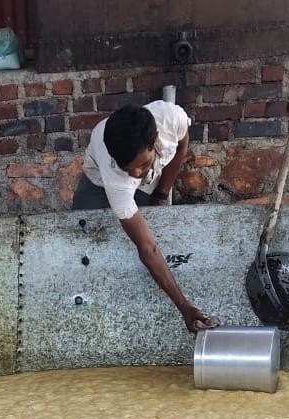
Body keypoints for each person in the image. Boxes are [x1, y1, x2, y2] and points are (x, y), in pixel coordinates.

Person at [72, 102, 217, 333]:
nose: (135, 174)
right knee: (82, 246)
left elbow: (181, 144)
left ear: (156, 140)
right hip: (98, 185)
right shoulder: (117, 178)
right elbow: (147, 249)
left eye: (141, 164)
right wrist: (184, 307)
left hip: (146, 187)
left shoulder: (172, 119)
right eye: (127, 167)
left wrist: (161, 193)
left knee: (138, 250)